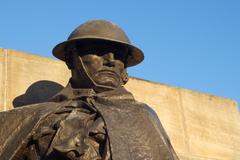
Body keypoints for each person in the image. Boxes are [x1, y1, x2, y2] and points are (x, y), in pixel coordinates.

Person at [0, 20, 179, 160]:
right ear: (72, 58)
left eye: (119, 55)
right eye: (99, 51)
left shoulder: (141, 116)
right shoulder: (33, 117)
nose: (111, 60)